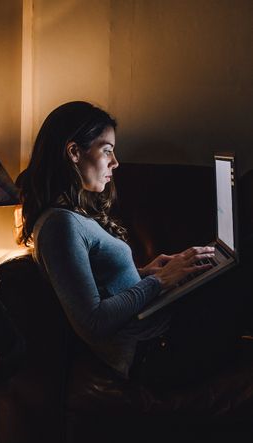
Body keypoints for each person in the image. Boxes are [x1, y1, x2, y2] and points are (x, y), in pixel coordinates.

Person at [19, 101, 250, 387]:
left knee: (227, 262)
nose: (115, 162)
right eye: (107, 151)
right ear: (74, 152)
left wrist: (145, 273)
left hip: (162, 337)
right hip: (155, 354)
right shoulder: (59, 226)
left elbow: (96, 287)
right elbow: (94, 320)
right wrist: (160, 282)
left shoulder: (70, 216)